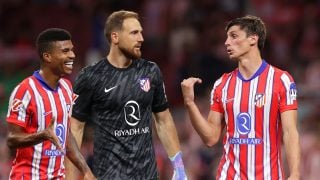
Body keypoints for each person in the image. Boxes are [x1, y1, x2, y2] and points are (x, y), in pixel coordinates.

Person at [66, 10, 187, 180]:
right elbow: (75, 129)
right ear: (115, 37)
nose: (141, 38)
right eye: (134, 33)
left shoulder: (150, 71)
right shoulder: (91, 76)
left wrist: (179, 167)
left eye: (141, 32)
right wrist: (70, 177)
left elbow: (163, 119)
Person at [181, 15, 301, 179]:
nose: (226, 42)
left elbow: (290, 132)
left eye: (234, 36)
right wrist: (190, 103)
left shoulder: (281, 80)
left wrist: (295, 173)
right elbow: (210, 138)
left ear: (253, 39)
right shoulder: (222, 85)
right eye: (227, 37)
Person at [6, 28, 96, 180]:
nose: (72, 55)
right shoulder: (25, 91)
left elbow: (65, 134)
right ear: (47, 56)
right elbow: (12, 139)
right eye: (65, 51)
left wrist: (86, 170)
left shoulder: (67, 87)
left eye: (72, 50)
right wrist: (41, 135)